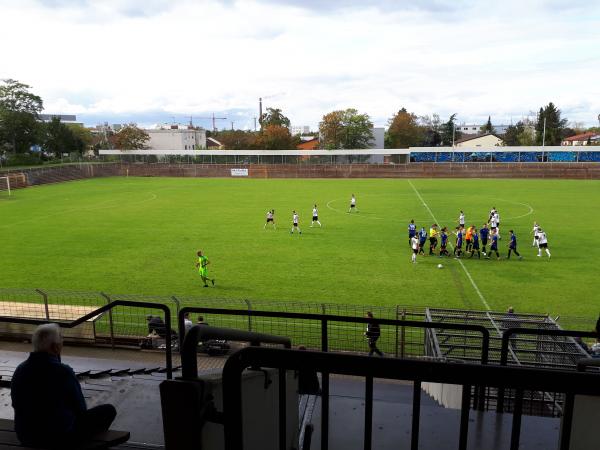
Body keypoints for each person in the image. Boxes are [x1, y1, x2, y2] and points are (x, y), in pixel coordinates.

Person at [11, 324, 117, 448]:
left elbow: (17, 403)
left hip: (26, 436)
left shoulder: (20, 369)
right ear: (55, 347)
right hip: (58, 438)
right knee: (109, 410)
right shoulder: (63, 372)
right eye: (61, 339)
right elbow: (81, 410)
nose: (63, 342)